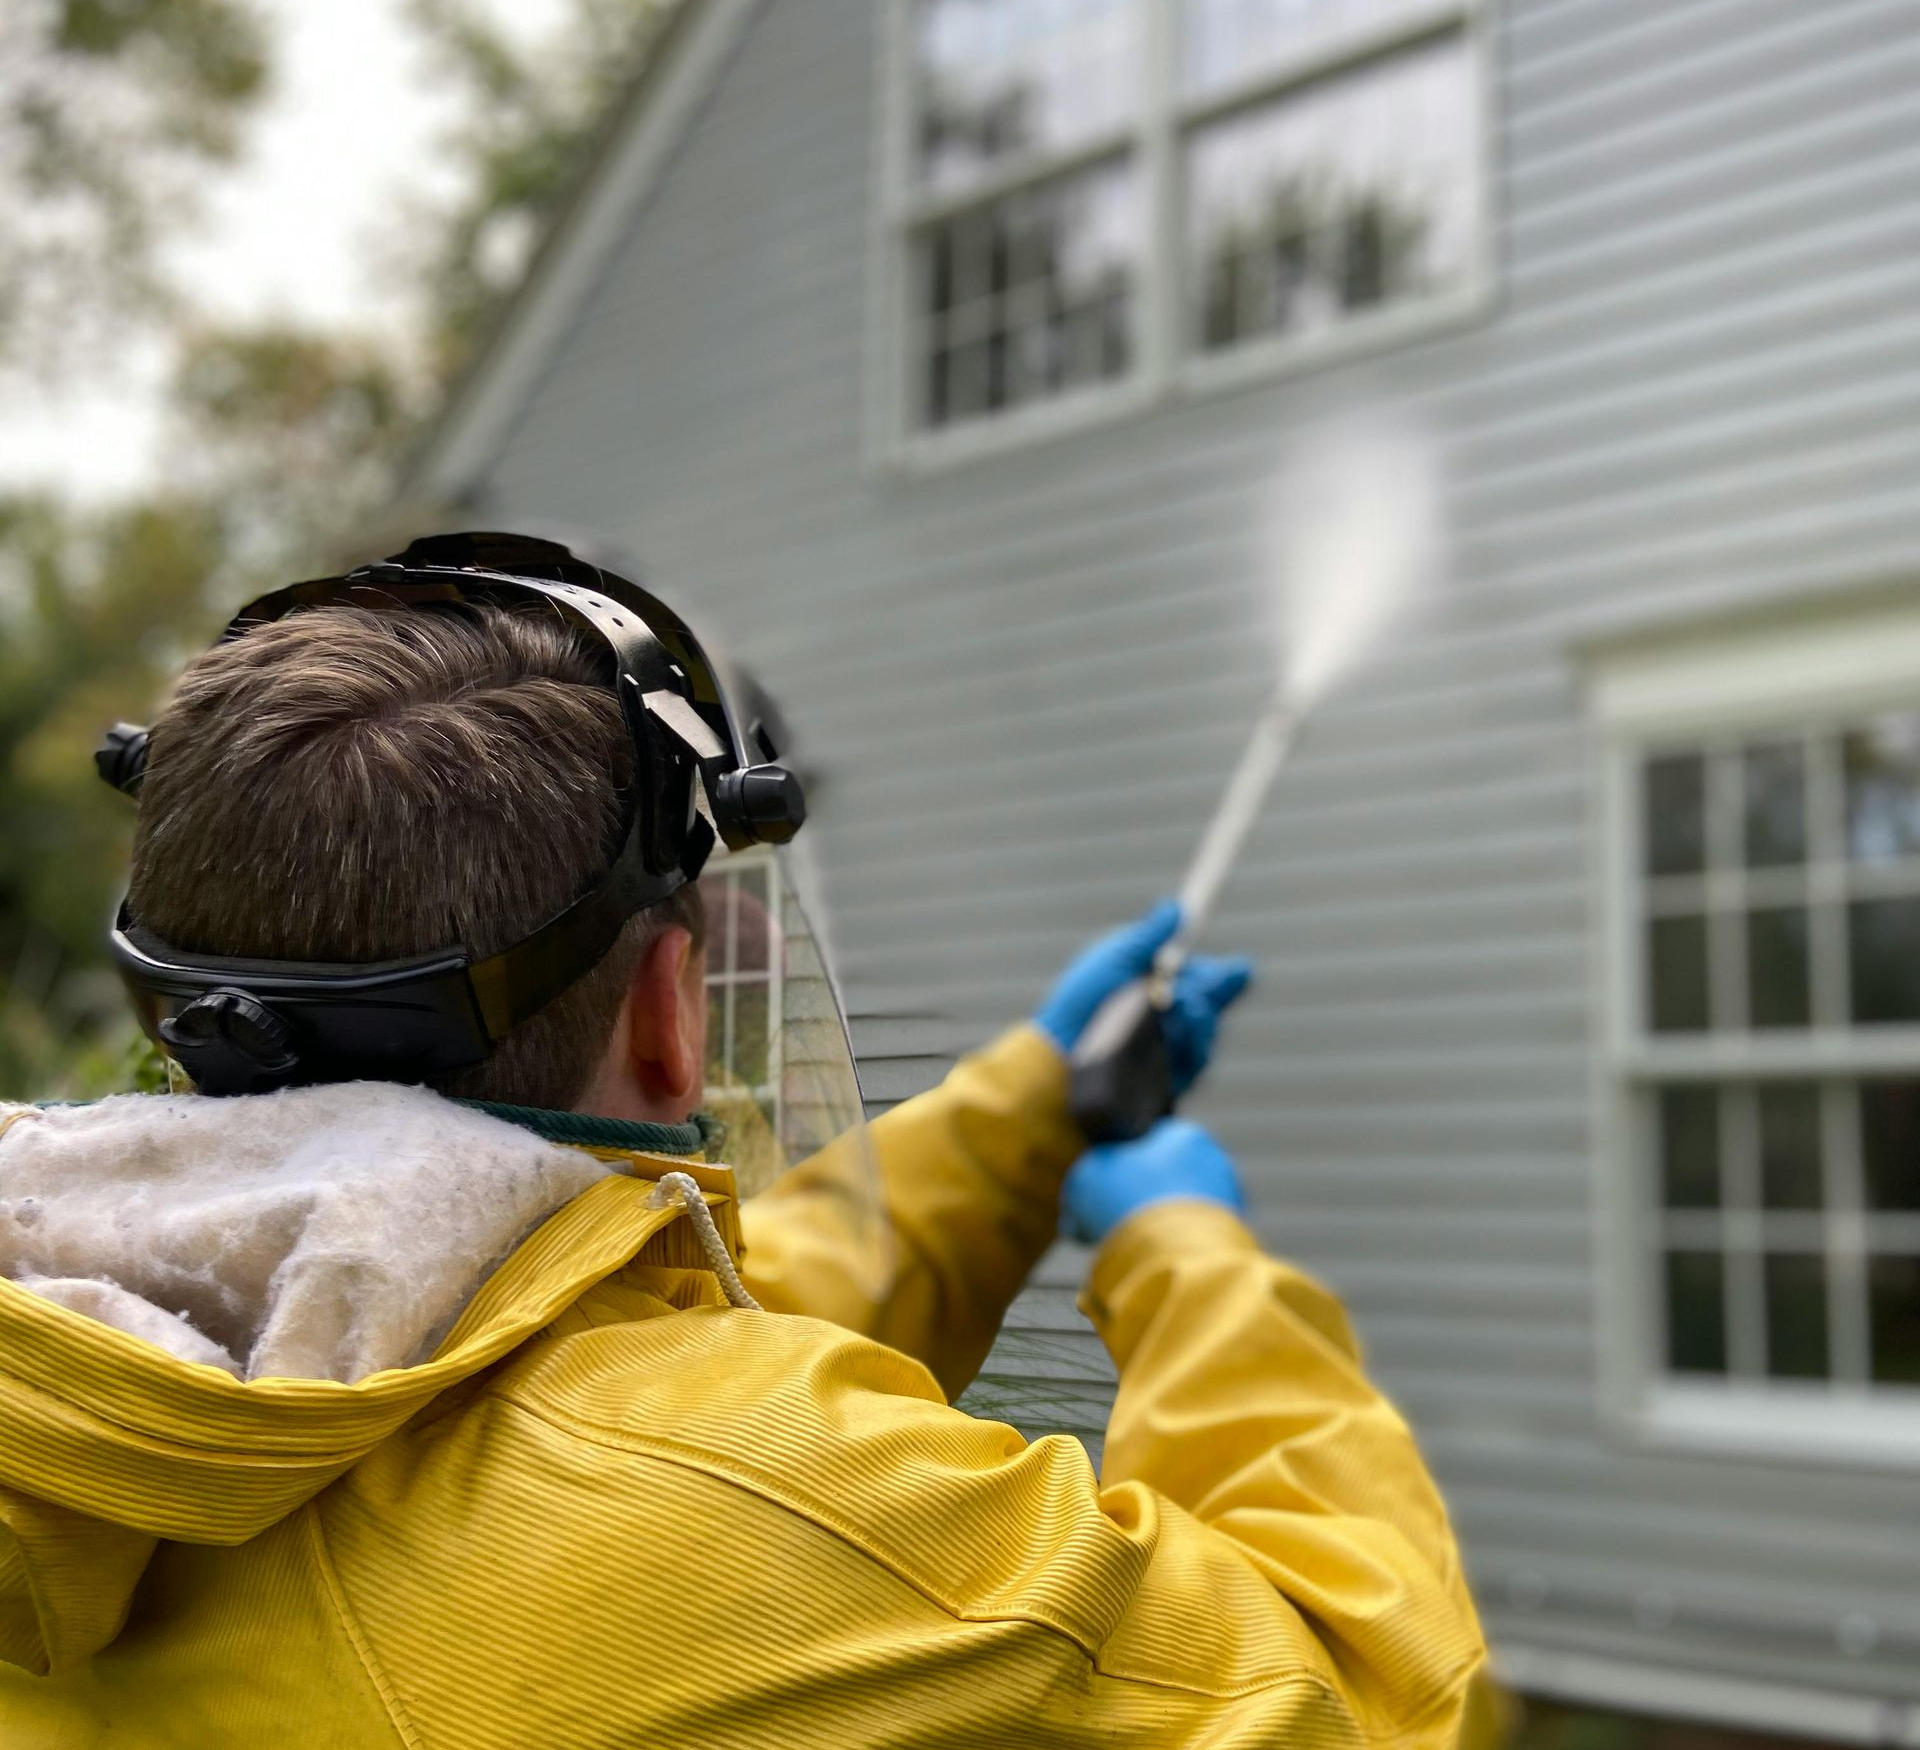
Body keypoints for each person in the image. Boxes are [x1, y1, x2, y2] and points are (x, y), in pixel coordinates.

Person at [0, 538, 1488, 1748]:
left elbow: (638, 1347)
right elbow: (1354, 1695)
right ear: (669, 1004)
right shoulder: (722, 1524)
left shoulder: (112, 1360)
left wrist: (1034, 1107)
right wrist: (1190, 1254)